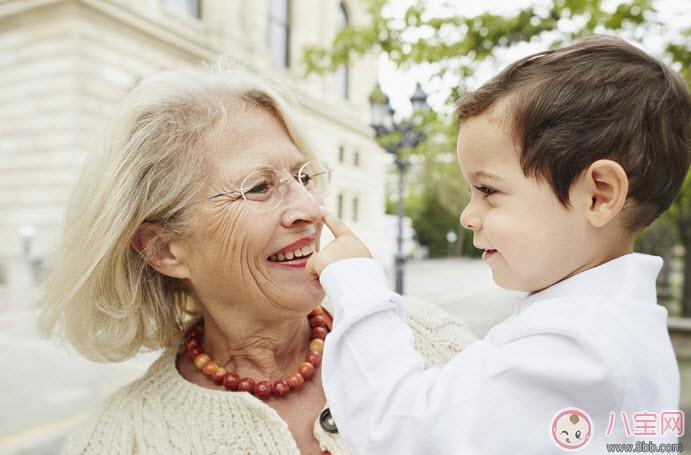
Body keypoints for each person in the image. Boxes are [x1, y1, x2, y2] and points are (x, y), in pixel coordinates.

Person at [38, 60, 478, 454]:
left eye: (304, 176)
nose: (311, 209)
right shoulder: (122, 439)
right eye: (259, 187)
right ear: (165, 250)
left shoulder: (430, 342)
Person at [306, 36, 690, 454]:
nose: (467, 216)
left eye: (488, 190)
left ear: (598, 194)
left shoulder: (577, 350)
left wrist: (359, 287)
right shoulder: (606, 326)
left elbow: (401, 431)